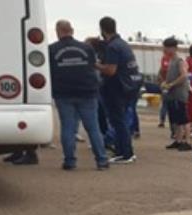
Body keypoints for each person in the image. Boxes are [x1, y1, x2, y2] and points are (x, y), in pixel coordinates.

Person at [49, 20, 110, 170]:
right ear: (72, 30)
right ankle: (101, 160)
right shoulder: (87, 48)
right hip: (87, 92)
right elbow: (93, 66)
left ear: (57, 31)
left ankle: (70, 161)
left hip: (63, 93)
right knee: (93, 128)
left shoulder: (51, 49)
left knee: (68, 128)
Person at [97, 16, 143, 164]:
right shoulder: (123, 44)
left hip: (116, 88)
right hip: (129, 87)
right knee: (121, 120)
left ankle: (125, 153)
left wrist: (96, 65)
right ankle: (122, 151)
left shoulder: (112, 47)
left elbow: (111, 70)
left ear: (102, 29)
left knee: (118, 122)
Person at [160, 37, 192, 152]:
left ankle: (188, 141)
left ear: (174, 48)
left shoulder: (180, 61)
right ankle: (178, 140)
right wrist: (166, 83)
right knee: (176, 119)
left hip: (179, 94)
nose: (165, 50)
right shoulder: (171, 60)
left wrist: (172, 84)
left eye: (167, 48)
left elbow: (184, 75)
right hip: (172, 94)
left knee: (183, 118)